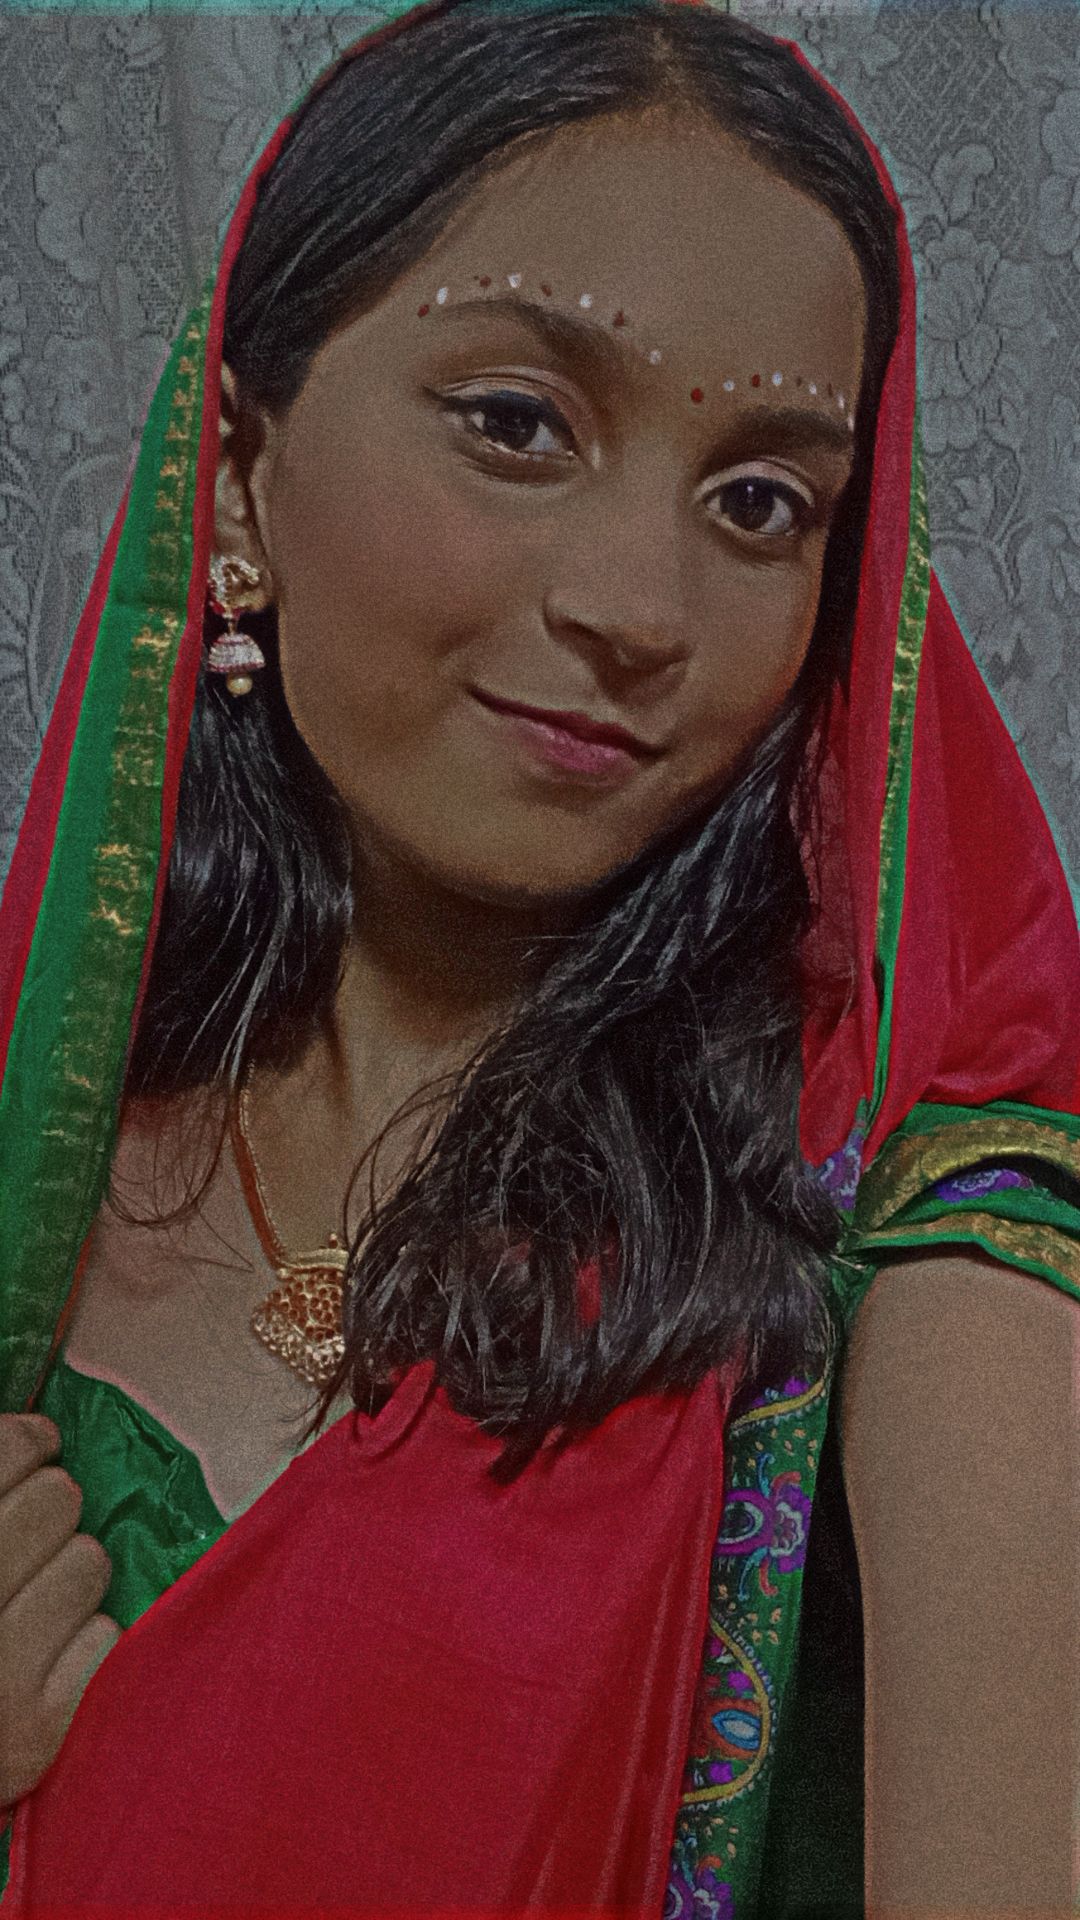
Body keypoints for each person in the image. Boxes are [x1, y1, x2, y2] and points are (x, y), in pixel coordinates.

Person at [0, 0, 1076, 1911]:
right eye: (516, 423)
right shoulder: (41, 1142)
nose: (640, 607)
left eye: (761, 502)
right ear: (236, 472)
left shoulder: (932, 1265)